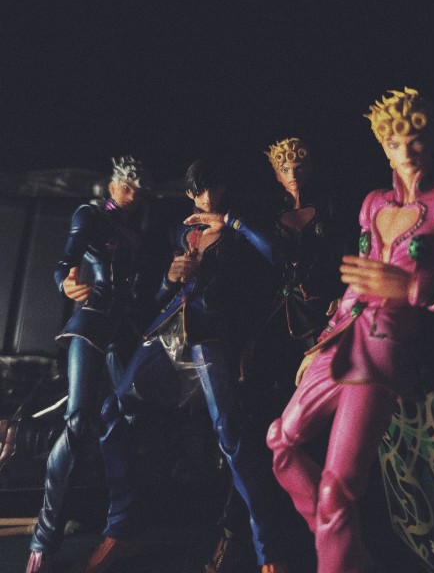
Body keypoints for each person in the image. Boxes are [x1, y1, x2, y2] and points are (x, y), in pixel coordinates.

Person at [264, 88, 434, 573]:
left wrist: (413, 288)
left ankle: (338, 553)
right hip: (343, 341)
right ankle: (341, 546)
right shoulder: (373, 204)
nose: (406, 151)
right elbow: (358, 284)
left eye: (416, 139)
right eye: (395, 142)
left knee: (337, 491)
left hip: (386, 350)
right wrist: (323, 341)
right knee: (280, 442)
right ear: (384, 148)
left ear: (433, 140)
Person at [78, 159, 290, 573]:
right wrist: (170, 278)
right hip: (169, 328)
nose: (207, 197)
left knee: (229, 431)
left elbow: (276, 256)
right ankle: (121, 527)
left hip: (213, 333)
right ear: (189, 193)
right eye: (199, 190)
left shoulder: (237, 231)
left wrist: (231, 221)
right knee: (112, 409)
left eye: (214, 187)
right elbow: (160, 292)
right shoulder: (180, 232)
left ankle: (269, 548)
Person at [184, 138, 348, 573]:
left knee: (317, 433)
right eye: (285, 167)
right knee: (254, 432)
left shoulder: (331, 209)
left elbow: (346, 257)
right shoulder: (261, 210)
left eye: (300, 165)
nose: (293, 174)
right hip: (270, 327)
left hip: (319, 326)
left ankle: (322, 536)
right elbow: (254, 265)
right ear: (275, 173)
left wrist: (341, 296)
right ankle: (236, 532)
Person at [20, 156, 153, 573]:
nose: (131, 197)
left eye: (138, 191)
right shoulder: (90, 215)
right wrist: (66, 282)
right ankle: (44, 537)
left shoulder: (135, 232)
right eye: (126, 188)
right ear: (112, 186)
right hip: (91, 324)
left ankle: (120, 527)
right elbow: (66, 261)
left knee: (125, 419)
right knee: (78, 421)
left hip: (123, 330)